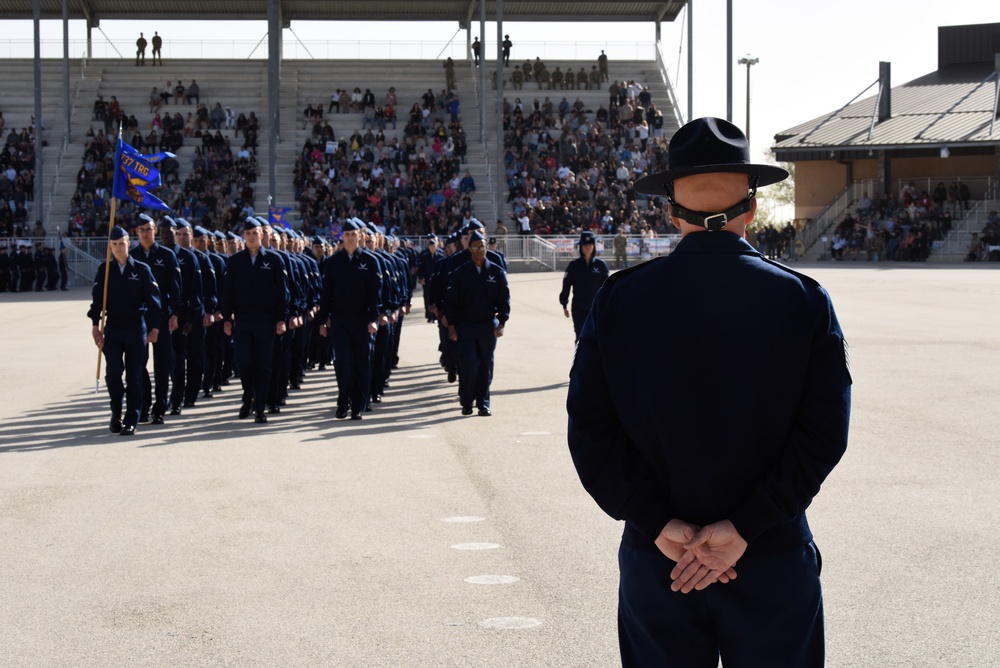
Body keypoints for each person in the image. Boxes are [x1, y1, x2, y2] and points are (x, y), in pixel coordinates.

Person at [566, 117, 852, 667]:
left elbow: (590, 435)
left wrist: (660, 523)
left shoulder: (619, 300)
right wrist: (744, 527)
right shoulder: (802, 301)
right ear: (750, 208)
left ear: (671, 211)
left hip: (662, 561)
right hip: (769, 556)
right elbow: (823, 436)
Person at [88, 226, 162, 437]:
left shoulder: (141, 270)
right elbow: (97, 302)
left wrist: (155, 327)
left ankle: (132, 419)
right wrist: (95, 326)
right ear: (109, 247)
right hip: (113, 329)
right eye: (114, 244)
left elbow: (154, 301)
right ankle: (115, 413)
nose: (118, 248)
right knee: (113, 375)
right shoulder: (105, 271)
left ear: (130, 243)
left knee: (135, 376)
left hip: (136, 328)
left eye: (122, 243)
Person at [221, 218, 289, 424]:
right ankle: (248, 396)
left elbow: (282, 293)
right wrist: (226, 318)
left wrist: (281, 319)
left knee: (264, 365)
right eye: (248, 234)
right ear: (244, 236)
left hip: (266, 320)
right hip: (243, 320)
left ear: (262, 235)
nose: (251, 237)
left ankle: (260, 407)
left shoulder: (274, 260)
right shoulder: (235, 262)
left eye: (255, 233)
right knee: (245, 364)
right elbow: (228, 293)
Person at [317, 219, 383, 421]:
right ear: (342, 237)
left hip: (362, 320)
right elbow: (326, 294)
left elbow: (376, 294)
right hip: (340, 320)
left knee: (362, 364)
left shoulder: (371, 262)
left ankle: (357, 405)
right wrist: (322, 320)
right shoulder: (333, 262)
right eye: (347, 235)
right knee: (343, 362)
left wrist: (374, 318)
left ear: (361, 236)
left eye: (354, 234)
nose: (350, 238)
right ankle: (343, 400)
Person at [443, 230, 510, 417]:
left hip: (487, 325)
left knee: (486, 366)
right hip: (466, 326)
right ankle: (467, 401)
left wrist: (502, 322)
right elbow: (451, 302)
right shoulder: (461, 273)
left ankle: (483, 403)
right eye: (476, 247)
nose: (480, 250)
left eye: (482, 246)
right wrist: (452, 326)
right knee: (469, 365)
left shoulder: (496, 272)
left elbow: (504, 300)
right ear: (470, 250)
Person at [131, 214, 181, 425]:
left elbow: (175, 288)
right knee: (138, 364)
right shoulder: (131, 256)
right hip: (138, 319)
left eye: (149, 229)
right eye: (142, 230)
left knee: (162, 364)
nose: (146, 233)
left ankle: (159, 408)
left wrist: (175, 314)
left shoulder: (167, 256)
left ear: (155, 231)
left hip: (161, 318)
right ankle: (143, 406)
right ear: (136, 232)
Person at [559, 231, 610, 342]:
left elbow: (608, 287)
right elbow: (566, 285)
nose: (587, 247)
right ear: (580, 247)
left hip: (596, 308)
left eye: (590, 244)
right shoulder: (574, 266)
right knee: (581, 337)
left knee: (597, 338)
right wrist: (564, 304)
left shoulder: (601, 266)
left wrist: (608, 306)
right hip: (579, 308)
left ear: (594, 246)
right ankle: (580, 359)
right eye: (585, 245)